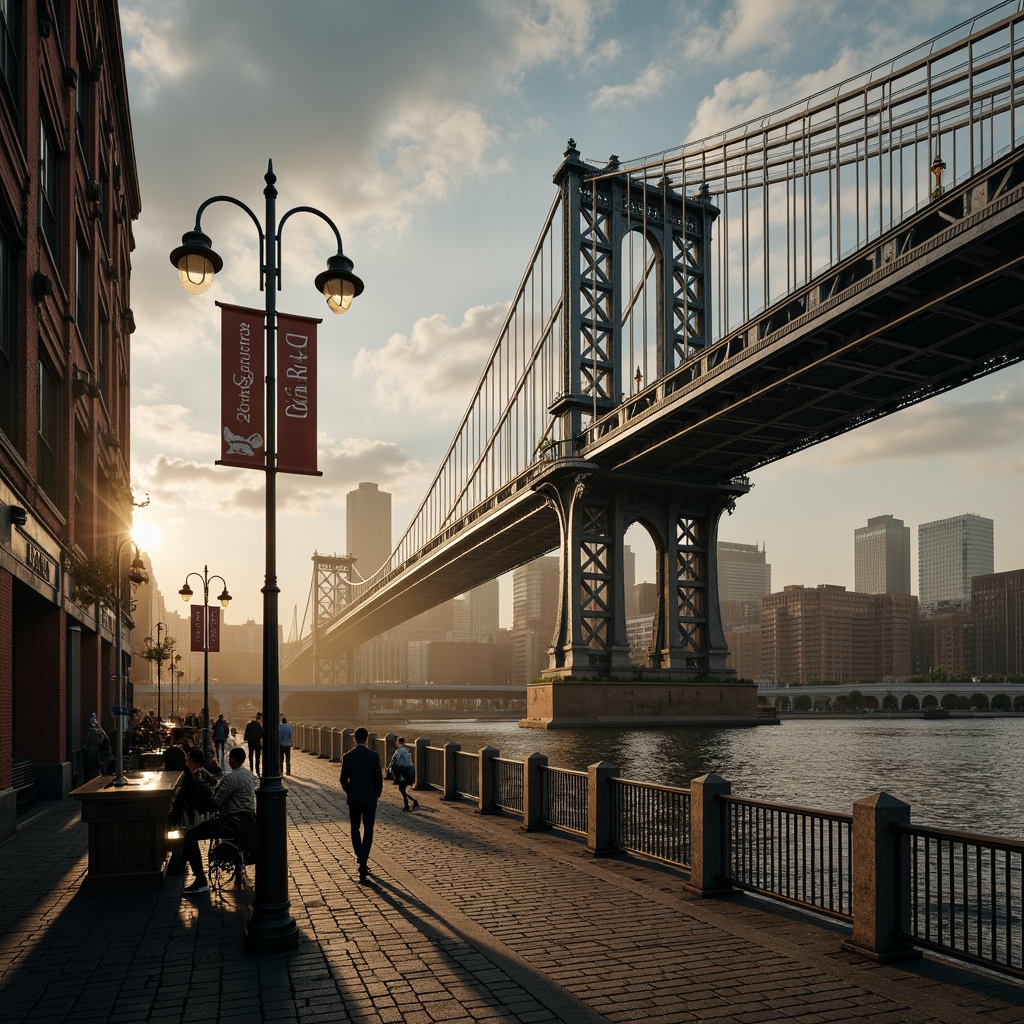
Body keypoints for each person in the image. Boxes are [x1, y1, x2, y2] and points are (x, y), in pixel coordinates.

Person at [181, 746, 257, 896]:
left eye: (230, 759)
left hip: (231, 822)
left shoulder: (232, 778)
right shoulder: (249, 775)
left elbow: (217, 801)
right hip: (247, 821)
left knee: (190, 835)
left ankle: (200, 880)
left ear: (233, 760)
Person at [339, 727, 383, 883]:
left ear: (354, 739)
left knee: (354, 827)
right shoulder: (374, 756)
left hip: (354, 799)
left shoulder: (348, 756)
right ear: (367, 739)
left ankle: (360, 857)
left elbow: (343, 779)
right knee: (369, 828)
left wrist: (350, 792)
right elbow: (378, 778)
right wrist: (376, 794)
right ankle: (363, 860)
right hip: (370, 799)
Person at [388, 737, 418, 812]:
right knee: (403, 788)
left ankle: (410, 803)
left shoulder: (399, 751)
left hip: (404, 772)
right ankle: (410, 803)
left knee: (402, 788)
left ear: (399, 743)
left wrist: (390, 768)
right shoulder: (407, 750)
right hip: (411, 771)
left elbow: (395, 760)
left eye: (397, 742)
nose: (396, 744)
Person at [243, 712, 263, 776]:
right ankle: (257, 771)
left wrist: (246, 738)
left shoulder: (248, 725)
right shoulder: (258, 725)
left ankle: (251, 769)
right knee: (257, 757)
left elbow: (246, 735)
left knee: (251, 756)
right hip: (257, 743)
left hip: (250, 743)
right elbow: (261, 734)